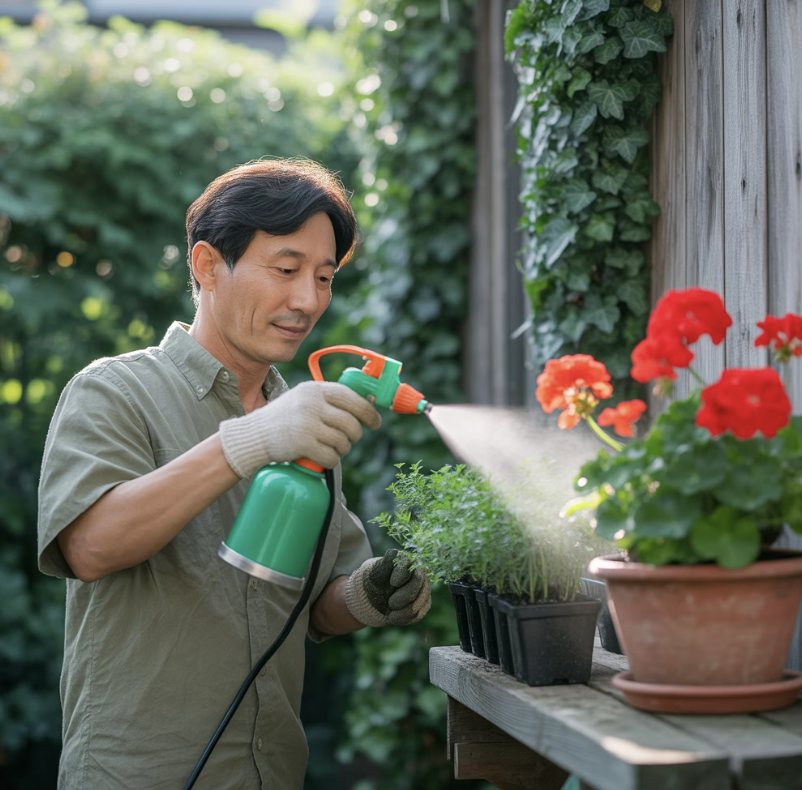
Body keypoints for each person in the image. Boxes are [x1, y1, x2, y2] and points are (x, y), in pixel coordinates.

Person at [37, 158, 432, 790]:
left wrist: (366, 597)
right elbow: (89, 546)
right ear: (206, 266)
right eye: (285, 269)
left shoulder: (302, 420)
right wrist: (250, 441)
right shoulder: (114, 391)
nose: (307, 300)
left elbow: (311, 605)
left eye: (324, 277)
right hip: (136, 774)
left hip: (271, 771)